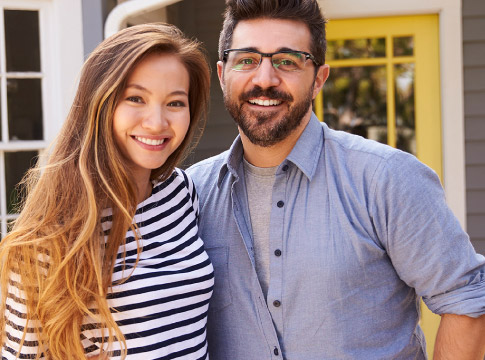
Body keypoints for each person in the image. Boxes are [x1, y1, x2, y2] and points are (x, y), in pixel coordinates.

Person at [186, 0, 485, 359]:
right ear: (222, 74)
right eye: (247, 60)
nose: (264, 79)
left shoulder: (385, 178)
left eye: (287, 61)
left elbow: (465, 299)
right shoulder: (191, 195)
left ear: (319, 79)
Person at [1, 23, 213, 360]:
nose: (157, 122)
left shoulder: (181, 192)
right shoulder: (50, 233)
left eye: (175, 103)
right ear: (99, 103)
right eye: (135, 98)